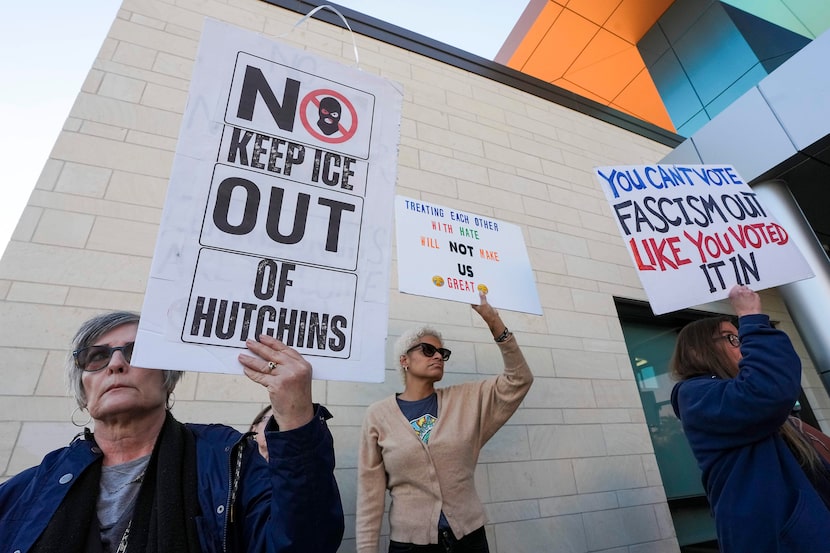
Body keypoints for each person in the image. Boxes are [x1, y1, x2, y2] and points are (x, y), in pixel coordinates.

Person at [0, 311, 344, 552]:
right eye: (96, 357)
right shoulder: (28, 490)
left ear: (167, 377)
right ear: (82, 389)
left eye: (137, 351)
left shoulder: (229, 462)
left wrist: (296, 413)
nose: (117, 364)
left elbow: (303, 543)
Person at [356, 293, 533, 553]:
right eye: (428, 350)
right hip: (410, 546)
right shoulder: (378, 415)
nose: (437, 356)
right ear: (404, 360)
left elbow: (520, 379)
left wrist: (494, 322)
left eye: (442, 352)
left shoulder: (467, 400)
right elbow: (369, 496)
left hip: (469, 540)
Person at [670, 285, 830, 552]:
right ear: (699, 351)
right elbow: (767, 390)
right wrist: (750, 317)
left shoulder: (729, 394)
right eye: (733, 339)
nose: (743, 345)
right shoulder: (694, 395)